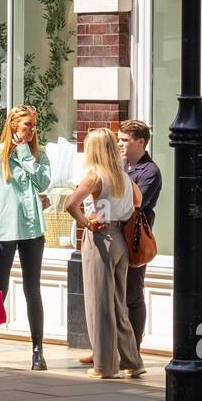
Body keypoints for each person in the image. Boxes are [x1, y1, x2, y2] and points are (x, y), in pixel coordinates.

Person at [0, 104, 52, 372]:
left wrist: (24, 153)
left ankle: (38, 351)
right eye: (26, 125)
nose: (31, 130)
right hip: (3, 233)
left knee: (34, 291)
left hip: (32, 232)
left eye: (33, 125)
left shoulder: (38, 155)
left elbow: (44, 183)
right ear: (13, 127)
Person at [81, 119, 162, 364]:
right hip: (116, 234)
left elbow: (137, 202)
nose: (121, 145)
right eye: (118, 140)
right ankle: (106, 350)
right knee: (109, 296)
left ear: (141, 142)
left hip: (132, 238)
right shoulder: (120, 166)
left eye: (125, 140)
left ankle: (132, 351)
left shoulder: (150, 171)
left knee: (132, 296)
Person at [66, 128, 144, 379]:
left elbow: (70, 204)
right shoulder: (123, 175)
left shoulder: (94, 175)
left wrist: (87, 221)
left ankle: (105, 366)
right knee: (118, 304)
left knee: (99, 304)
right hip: (120, 239)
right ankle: (133, 361)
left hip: (101, 239)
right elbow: (138, 201)